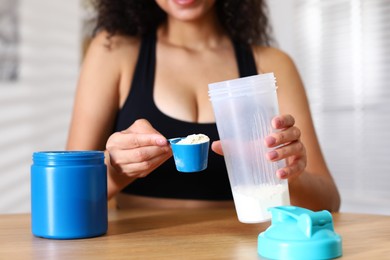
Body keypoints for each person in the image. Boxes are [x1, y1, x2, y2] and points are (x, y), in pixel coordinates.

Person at [66, 0, 340, 212]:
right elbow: (65, 194)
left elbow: (329, 203)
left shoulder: (271, 65)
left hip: (242, 247)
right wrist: (116, 170)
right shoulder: (112, 51)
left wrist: (288, 175)